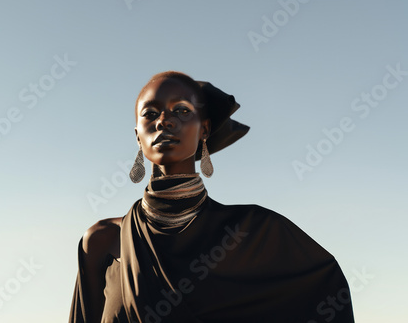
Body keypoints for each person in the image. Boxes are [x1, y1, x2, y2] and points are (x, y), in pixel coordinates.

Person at [69, 71, 354, 322]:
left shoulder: (253, 232)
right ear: (137, 135)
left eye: (181, 111)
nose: (164, 122)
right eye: (151, 114)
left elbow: (326, 291)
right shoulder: (101, 241)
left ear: (204, 129)